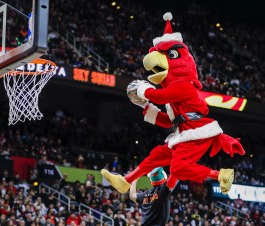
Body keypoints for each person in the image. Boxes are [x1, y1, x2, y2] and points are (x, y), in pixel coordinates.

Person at [101, 12, 245, 195]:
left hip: (196, 131)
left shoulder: (184, 85)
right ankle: (126, 181)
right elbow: (168, 122)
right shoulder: (174, 95)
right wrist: (145, 106)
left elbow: (160, 97)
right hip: (184, 130)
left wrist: (142, 90)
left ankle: (219, 175)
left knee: (177, 168)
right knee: (157, 155)